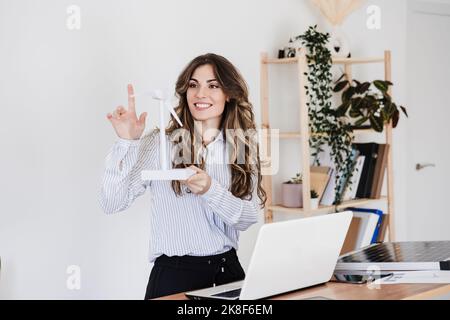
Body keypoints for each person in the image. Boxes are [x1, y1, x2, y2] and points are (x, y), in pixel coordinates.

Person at [100, 53, 267, 299]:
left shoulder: (241, 146)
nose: (200, 94)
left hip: (228, 273)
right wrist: (126, 142)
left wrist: (211, 190)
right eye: (193, 85)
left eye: (213, 86)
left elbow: (247, 218)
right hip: (175, 278)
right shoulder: (161, 145)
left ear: (228, 93)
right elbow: (111, 202)